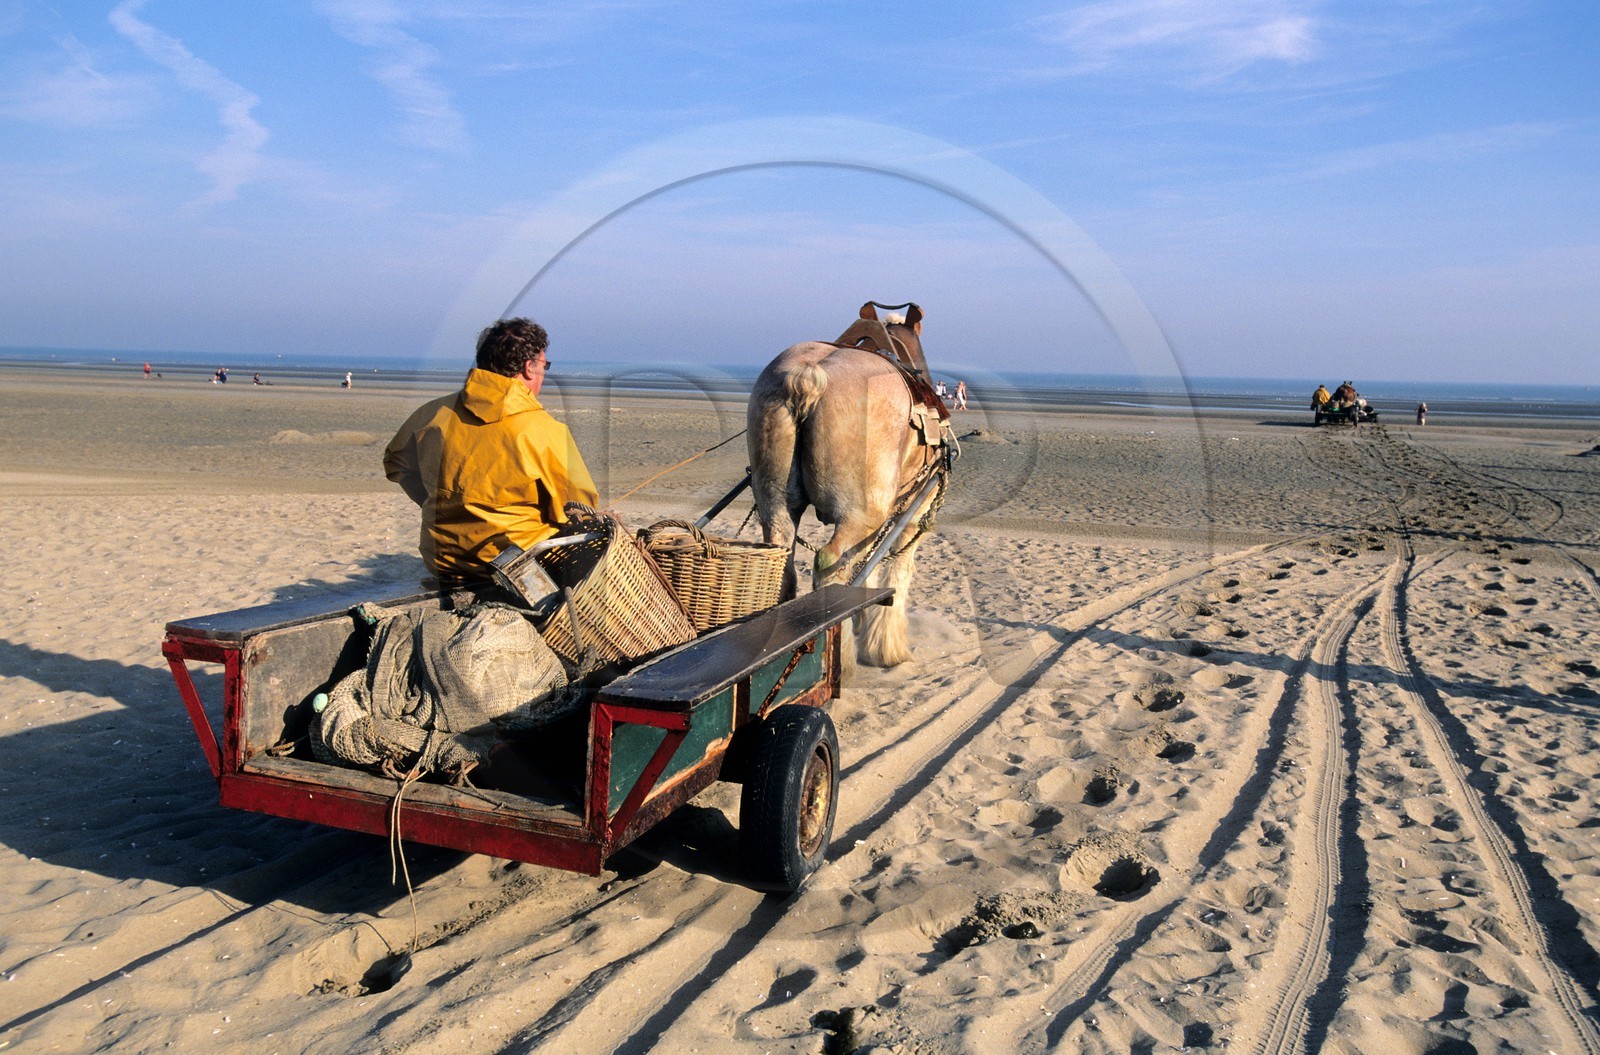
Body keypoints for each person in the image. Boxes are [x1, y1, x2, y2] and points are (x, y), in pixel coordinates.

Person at [384, 317, 599, 584]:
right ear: (528, 367)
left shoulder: (433, 414)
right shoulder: (544, 430)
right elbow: (582, 505)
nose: (544, 374)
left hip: (442, 561)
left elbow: (397, 464)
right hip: (517, 567)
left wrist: (440, 503)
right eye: (545, 365)